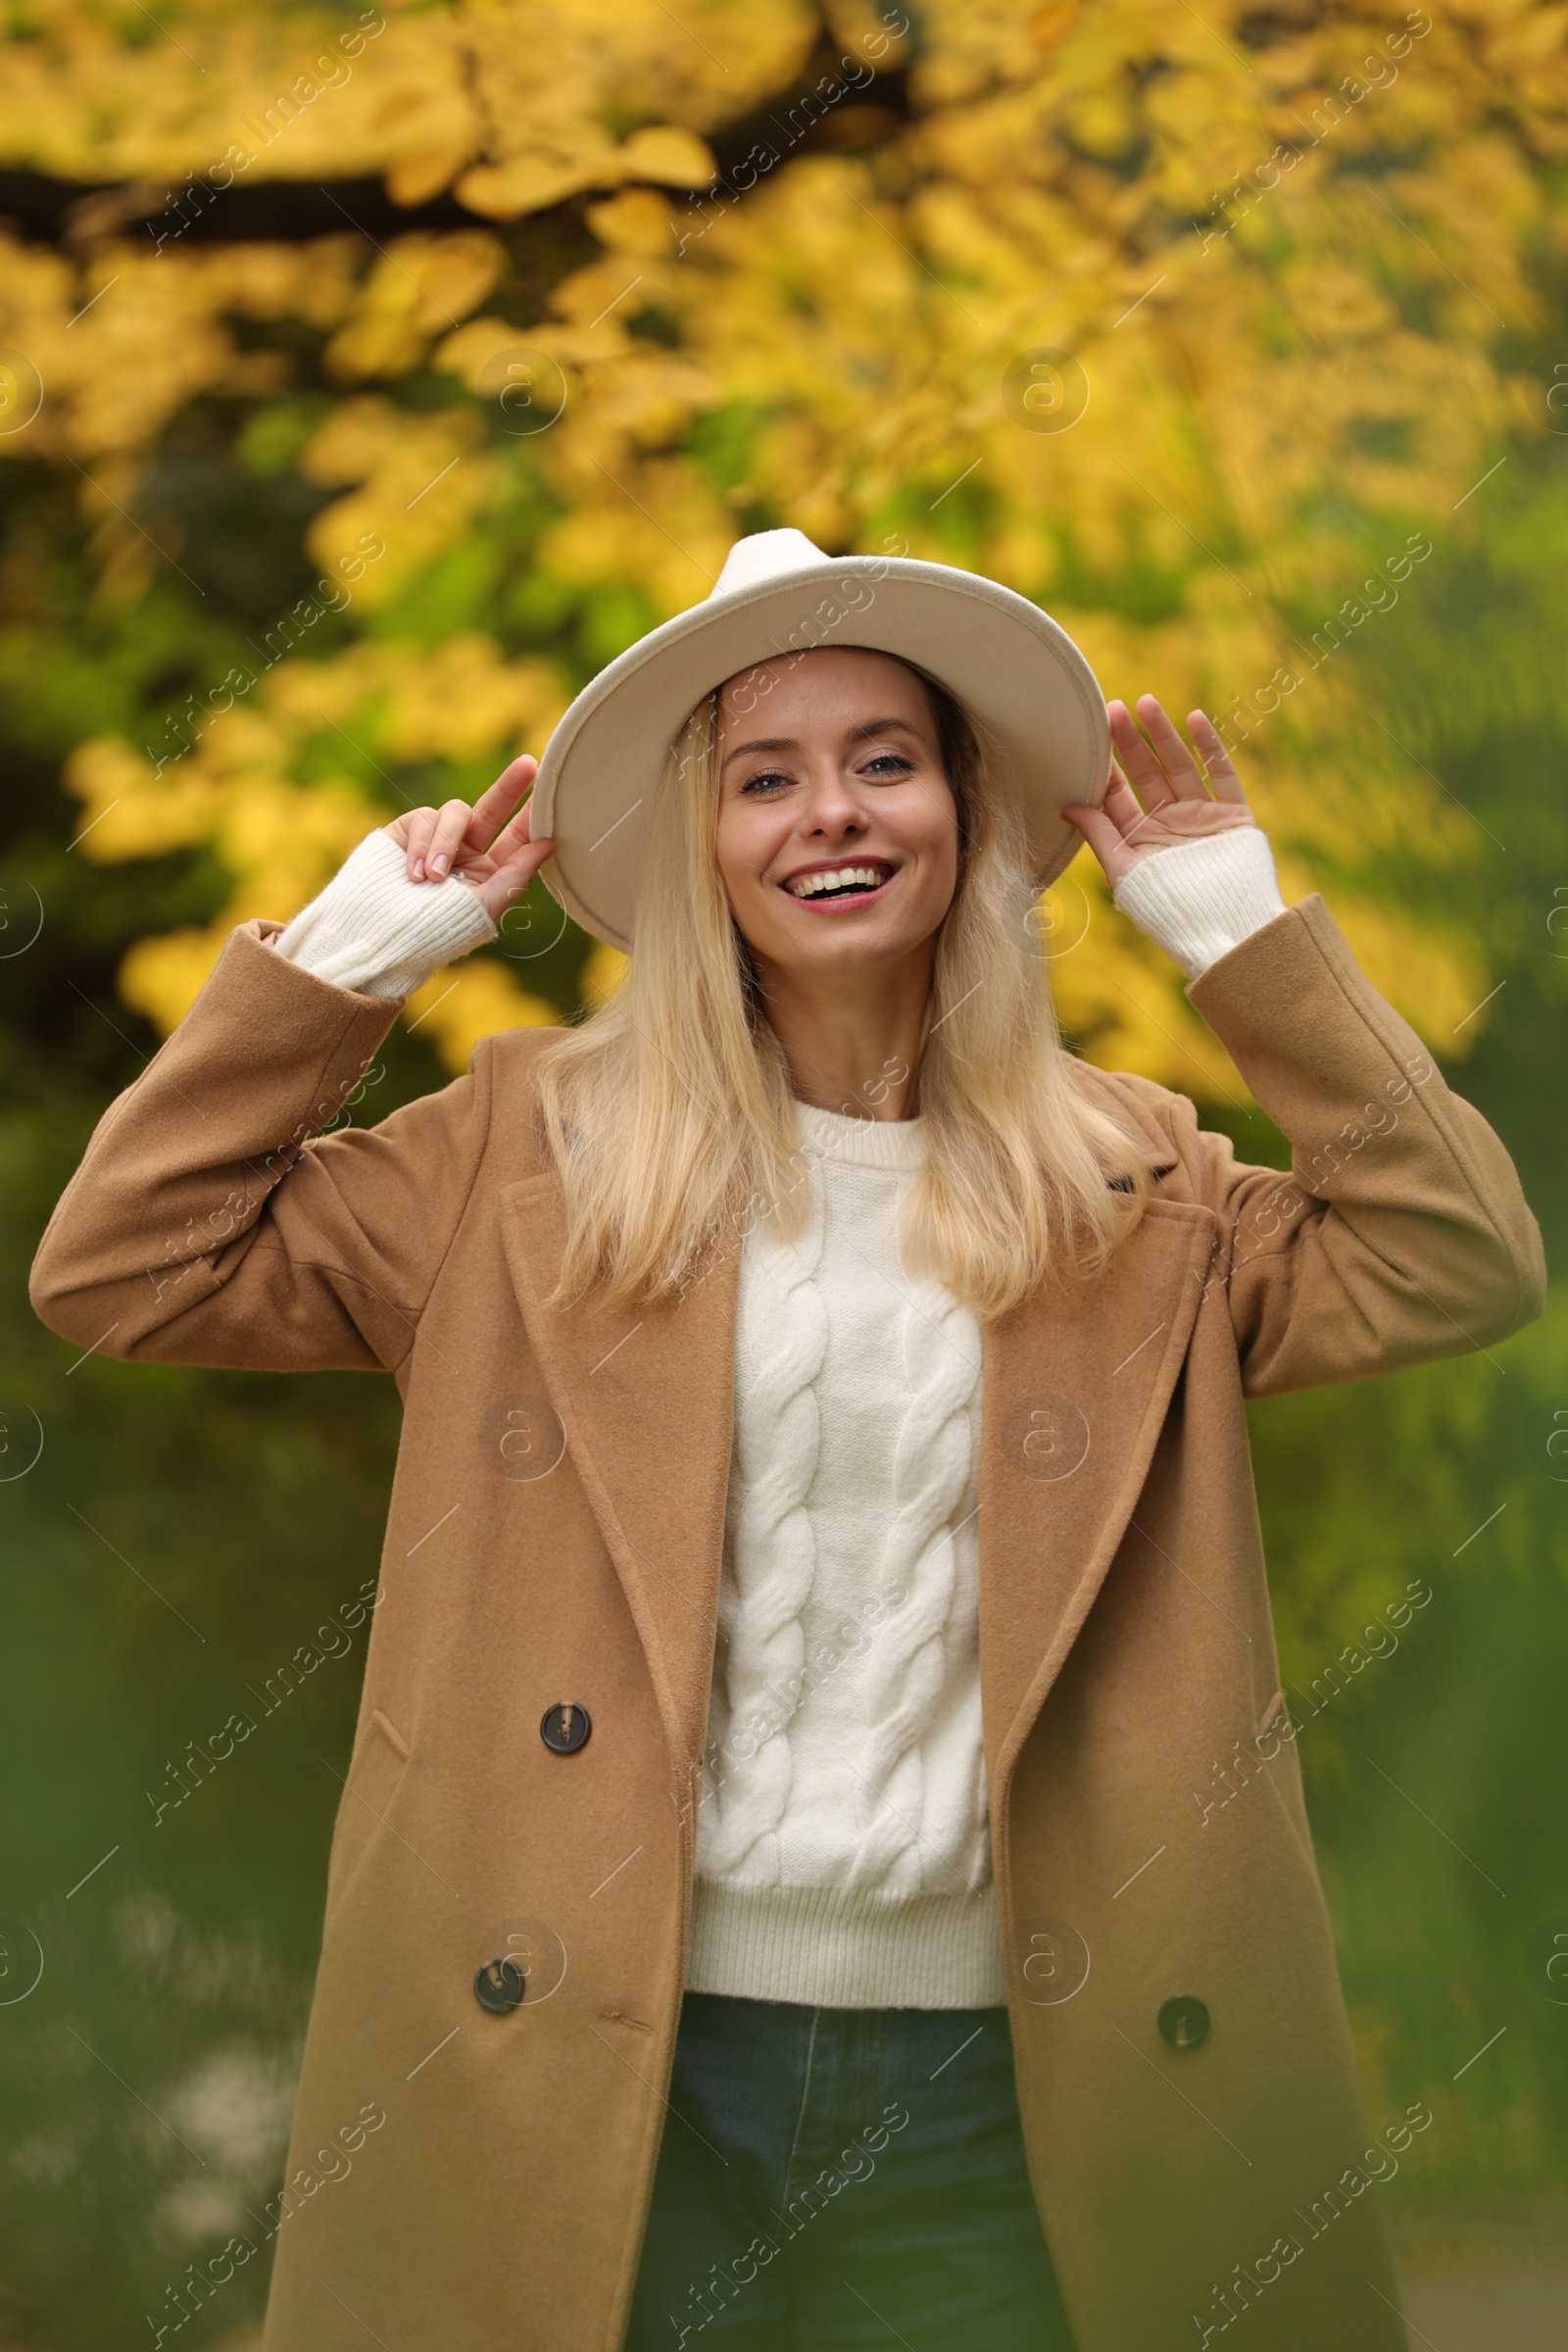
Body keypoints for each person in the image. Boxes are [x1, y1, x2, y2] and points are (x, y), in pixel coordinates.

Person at [32, 530, 1544, 2352]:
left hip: (1006, 2084)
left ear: (962, 815)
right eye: (766, 776)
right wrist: (356, 957)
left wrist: (1240, 937)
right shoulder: (523, 1152)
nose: (833, 815)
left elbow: (1456, 1260)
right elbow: (121, 1264)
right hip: (603, 2067)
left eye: (884, 761)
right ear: (705, 842)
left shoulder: (1130, 1178)